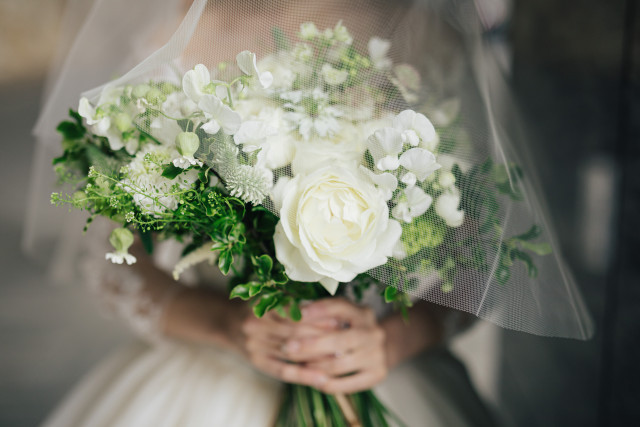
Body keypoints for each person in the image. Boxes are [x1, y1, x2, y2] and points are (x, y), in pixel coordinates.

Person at [29, 0, 592, 425]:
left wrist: (391, 340)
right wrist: (228, 323)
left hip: (389, 371)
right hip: (214, 374)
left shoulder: (425, 33)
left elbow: (480, 247)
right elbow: (109, 258)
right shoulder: (167, 38)